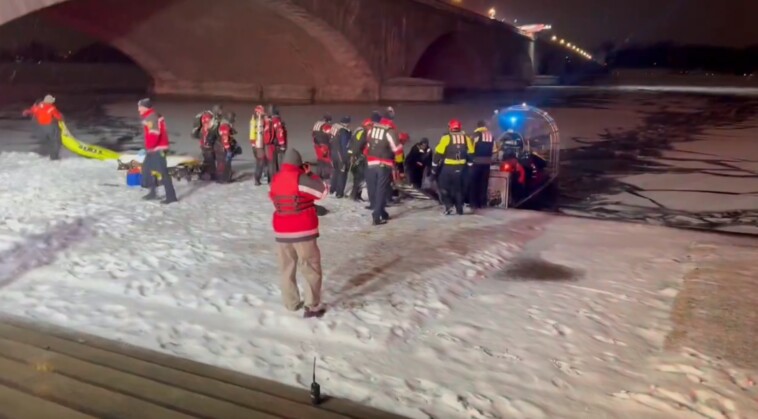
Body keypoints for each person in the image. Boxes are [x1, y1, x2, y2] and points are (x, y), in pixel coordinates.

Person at [269, 148, 328, 318]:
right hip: (303, 231)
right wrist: (311, 175)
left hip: (282, 232)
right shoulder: (301, 179)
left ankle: (291, 303)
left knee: (286, 268)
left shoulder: (276, 180)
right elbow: (322, 192)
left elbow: (273, 197)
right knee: (310, 267)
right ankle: (312, 305)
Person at [138, 98, 177, 204]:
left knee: (163, 172)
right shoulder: (151, 116)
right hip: (153, 149)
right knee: (147, 169)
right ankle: (153, 192)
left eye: (140, 107)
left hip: (157, 149)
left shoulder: (151, 117)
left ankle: (171, 196)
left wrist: (149, 147)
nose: (138, 109)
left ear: (145, 107)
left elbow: (154, 134)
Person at [365, 115, 402, 225]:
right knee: (382, 189)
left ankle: (381, 211)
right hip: (384, 163)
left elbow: (367, 147)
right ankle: (377, 215)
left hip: (371, 163)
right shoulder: (389, 132)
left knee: (375, 188)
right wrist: (399, 163)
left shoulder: (371, 130)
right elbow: (397, 149)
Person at [432, 119, 474, 215]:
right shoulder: (466, 138)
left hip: (448, 168)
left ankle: (448, 205)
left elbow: (438, 153)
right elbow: (471, 153)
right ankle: (459, 209)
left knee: (443, 187)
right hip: (462, 168)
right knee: (459, 189)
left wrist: (434, 167)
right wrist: (470, 167)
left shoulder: (446, 138)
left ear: (450, 127)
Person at [23, 94, 64, 160]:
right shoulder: (51, 108)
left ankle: (43, 153)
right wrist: (61, 118)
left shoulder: (38, 106)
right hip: (49, 127)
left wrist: (26, 112)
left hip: (41, 127)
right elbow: (58, 116)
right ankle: (54, 157)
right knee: (55, 141)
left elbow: (31, 111)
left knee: (45, 141)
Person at [468, 120, 495, 208]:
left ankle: (473, 203)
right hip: (487, 163)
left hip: (476, 162)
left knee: (474, 183)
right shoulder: (491, 135)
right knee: (484, 183)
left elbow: (470, 148)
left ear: (478, 126)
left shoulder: (476, 135)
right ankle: (482, 203)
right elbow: (494, 150)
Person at [347, 117, 372, 202]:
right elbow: (357, 145)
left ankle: (356, 195)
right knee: (358, 177)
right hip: (357, 158)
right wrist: (357, 155)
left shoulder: (360, 131)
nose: (371, 127)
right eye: (370, 125)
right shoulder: (362, 132)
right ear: (366, 125)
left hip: (357, 157)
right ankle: (354, 195)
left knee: (360, 177)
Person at [329, 116, 351, 198]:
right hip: (340, 155)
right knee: (342, 173)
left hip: (333, 153)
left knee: (335, 171)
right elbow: (344, 145)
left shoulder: (334, 127)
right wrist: (346, 159)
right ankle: (339, 192)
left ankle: (332, 189)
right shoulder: (344, 131)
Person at [250, 105, 269, 185]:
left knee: (262, 161)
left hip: (259, 144)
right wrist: (254, 143)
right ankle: (257, 178)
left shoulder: (258, 119)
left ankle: (262, 175)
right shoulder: (256, 121)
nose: (262, 113)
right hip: (258, 145)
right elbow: (253, 133)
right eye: (261, 112)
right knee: (260, 161)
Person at [267, 106, 287, 176]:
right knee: (278, 161)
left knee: (271, 161)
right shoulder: (276, 120)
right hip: (276, 145)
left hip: (268, 144)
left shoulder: (268, 120)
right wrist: (282, 144)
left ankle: (271, 178)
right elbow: (280, 133)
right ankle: (277, 177)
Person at [312, 115, 333, 180]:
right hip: (324, 146)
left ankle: (319, 174)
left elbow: (313, 134)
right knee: (327, 161)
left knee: (320, 159)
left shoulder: (316, 124)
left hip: (317, 145)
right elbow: (330, 136)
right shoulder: (326, 126)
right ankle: (326, 175)